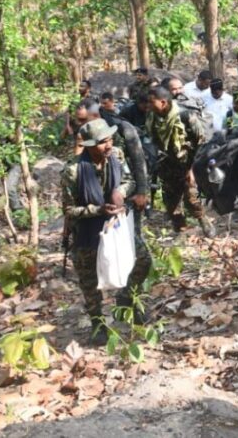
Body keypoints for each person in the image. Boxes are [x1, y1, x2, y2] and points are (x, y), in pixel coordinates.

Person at [62, 119, 152, 346]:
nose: (108, 145)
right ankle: (97, 322)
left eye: (110, 139)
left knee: (143, 260)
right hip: (87, 231)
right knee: (89, 280)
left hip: (117, 224)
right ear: (90, 145)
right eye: (102, 142)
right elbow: (69, 210)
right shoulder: (72, 171)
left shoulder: (117, 156)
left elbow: (129, 180)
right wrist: (98, 209)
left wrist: (119, 192)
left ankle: (127, 297)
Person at [146, 86, 217, 237]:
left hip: (188, 163)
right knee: (171, 201)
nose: (149, 106)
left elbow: (202, 143)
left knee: (192, 198)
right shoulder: (153, 117)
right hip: (167, 164)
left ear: (163, 102)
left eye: (152, 102)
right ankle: (181, 230)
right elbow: (152, 139)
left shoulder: (186, 116)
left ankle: (203, 220)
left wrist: (192, 169)